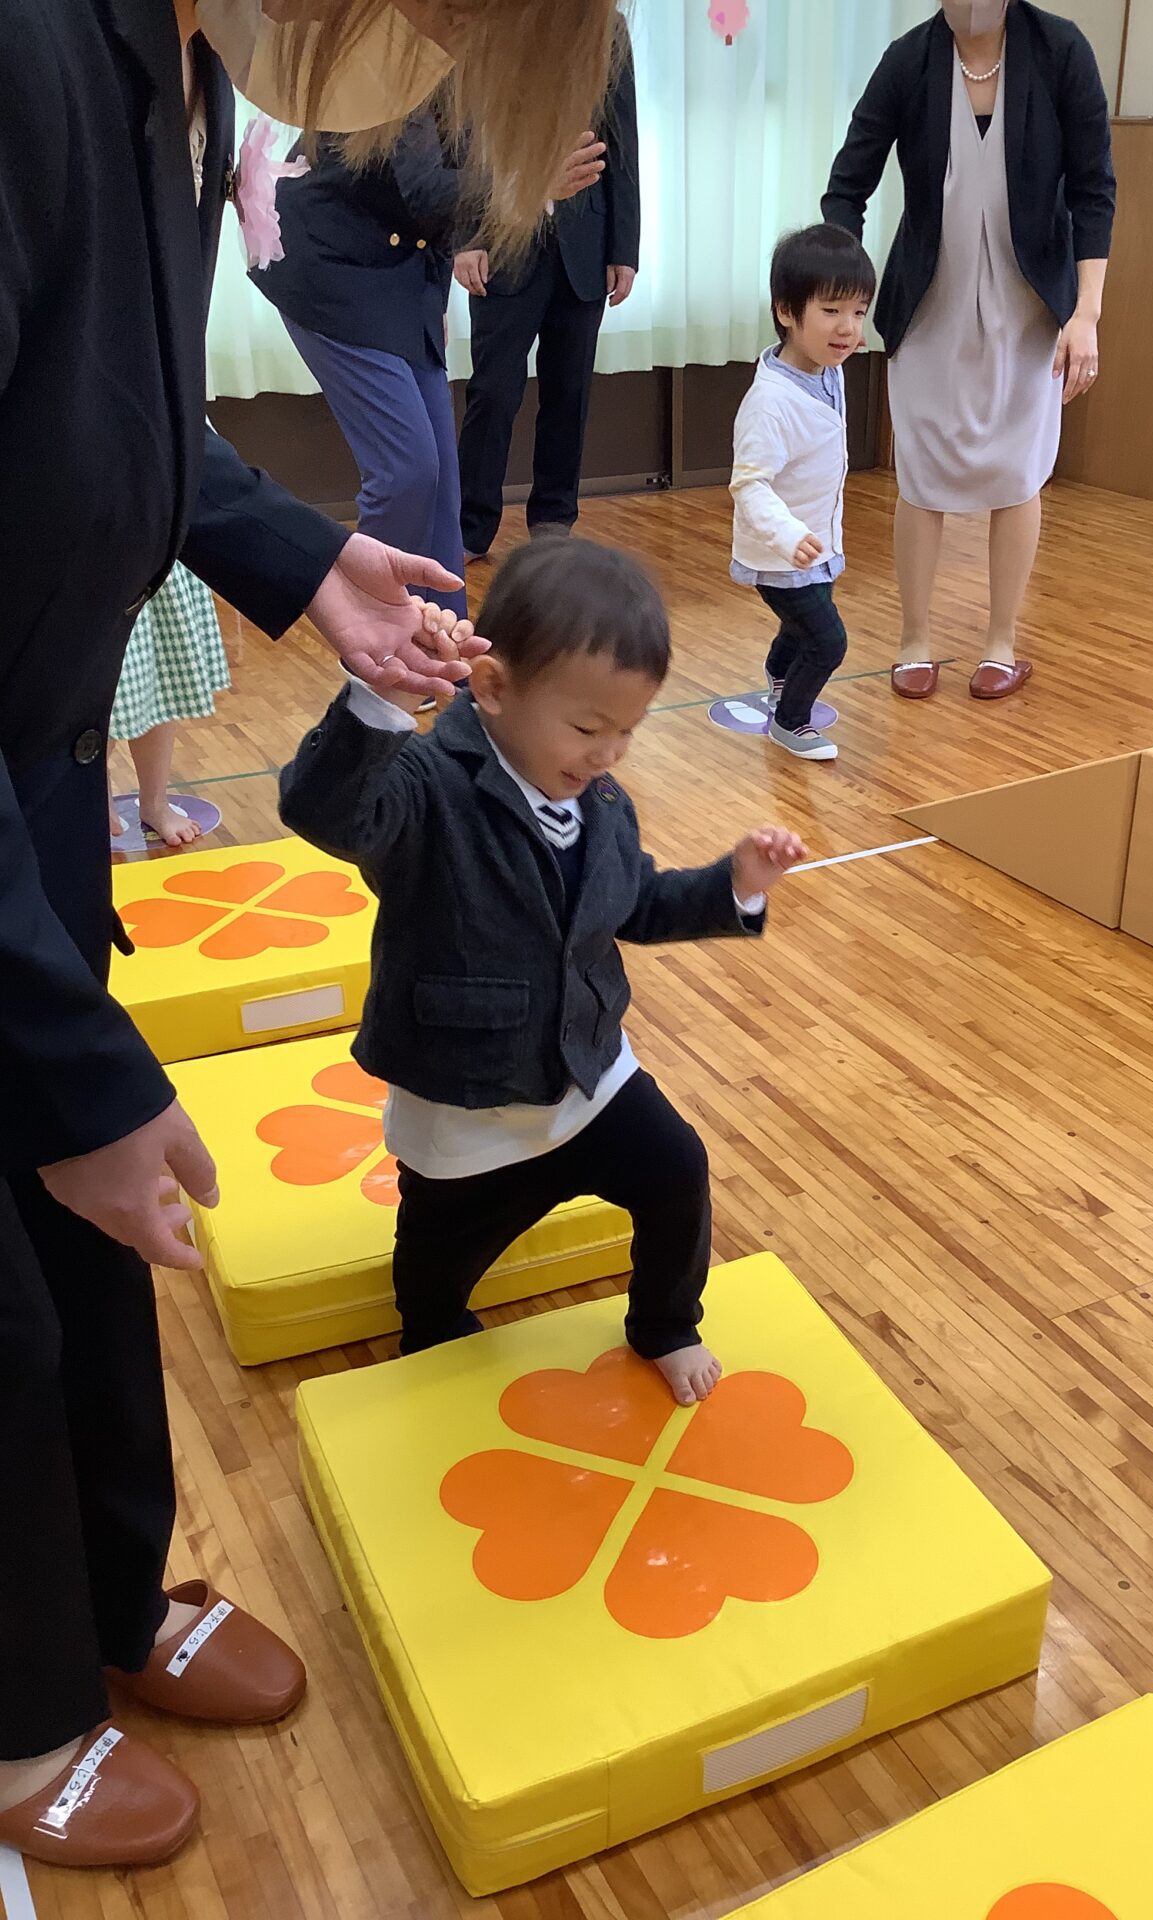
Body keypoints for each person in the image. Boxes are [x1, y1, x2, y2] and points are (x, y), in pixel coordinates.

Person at [0, 0, 621, 1872]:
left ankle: (114, 1603)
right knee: (11, 1278)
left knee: (87, 1252)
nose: (422, 59)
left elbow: (111, 409)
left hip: (35, 761)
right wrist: (70, 1071)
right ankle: (21, 1717)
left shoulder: (173, 72)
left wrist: (306, 558)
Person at [278, 540, 807, 1406]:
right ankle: (434, 1330)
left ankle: (666, 1323)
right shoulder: (427, 784)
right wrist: (380, 701)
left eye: (628, 731)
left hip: (588, 1077)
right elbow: (326, 811)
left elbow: (636, 903)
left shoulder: (600, 801)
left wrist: (734, 887)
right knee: (436, 1268)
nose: (609, 754)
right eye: (589, 729)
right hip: (468, 1103)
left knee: (677, 1169)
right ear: (492, 687)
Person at [823, 0, 1115, 703]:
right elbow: (847, 186)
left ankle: (1000, 644)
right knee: (922, 472)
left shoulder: (1060, 50)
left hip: (1029, 307)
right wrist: (845, 296)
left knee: (1018, 470)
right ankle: (914, 641)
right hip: (931, 300)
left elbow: (1094, 189)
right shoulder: (909, 59)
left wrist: (1086, 312)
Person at [250, 107, 473, 620]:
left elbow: (434, 195)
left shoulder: (468, 81)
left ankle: (444, 643)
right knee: (406, 471)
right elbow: (426, 192)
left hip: (401, 275)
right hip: (331, 271)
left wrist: (434, 300)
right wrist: (522, 185)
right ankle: (378, 639)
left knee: (439, 479)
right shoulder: (408, 68)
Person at [455, 23, 640, 560]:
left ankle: (554, 521)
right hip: (502, 239)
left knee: (569, 391)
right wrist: (466, 237)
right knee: (493, 392)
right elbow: (461, 137)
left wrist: (624, 248)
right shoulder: (485, 21)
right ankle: (469, 528)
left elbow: (622, 141)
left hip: (586, 243)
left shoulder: (606, 28)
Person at [730, 225, 874, 763]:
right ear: (786, 312)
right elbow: (749, 484)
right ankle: (791, 721)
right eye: (831, 311)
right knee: (827, 640)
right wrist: (787, 535)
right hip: (783, 551)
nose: (848, 327)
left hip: (818, 541)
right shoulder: (769, 403)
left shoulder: (826, 370)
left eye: (858, 312)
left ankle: (778, 676)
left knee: (801, 626)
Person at [109, 564, 231, 847]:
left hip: (158, 563)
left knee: (161, 686)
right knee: (97, 695)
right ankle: (96, 799)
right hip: (91, 568)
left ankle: (155, 802)